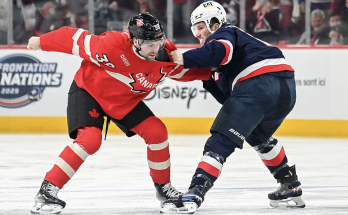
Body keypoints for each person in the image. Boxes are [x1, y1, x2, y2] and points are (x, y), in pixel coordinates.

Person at [26, 12, 211, 214]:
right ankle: (47, 190)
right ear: (134, 40)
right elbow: (72, 38)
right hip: (90, 91)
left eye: (158, 41)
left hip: (124, 101)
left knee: (157, 133)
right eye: (149, 43)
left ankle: (164, 190)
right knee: (90, 140)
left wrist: (216, 70)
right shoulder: (110, 45)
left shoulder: (166, 54)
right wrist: (40, 42)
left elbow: (186, 71)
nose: (155, 48)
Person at [161, 1, 305, 214]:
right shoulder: (233, 49)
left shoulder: (225, 32)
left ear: (215, 23)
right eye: (195, 30)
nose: (198, 35)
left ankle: (195, 191)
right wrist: (207, 78)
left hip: (259, 82)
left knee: (219, 141)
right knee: (258, 136)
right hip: (286, 88)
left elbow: (222, 51)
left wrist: (184, 58)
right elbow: (228, 98)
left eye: (200, 27)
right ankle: (289, 185)